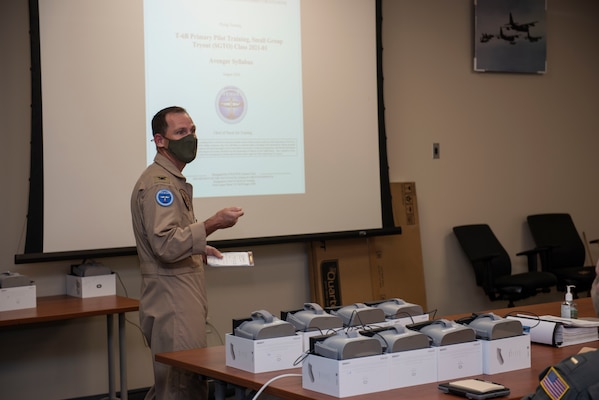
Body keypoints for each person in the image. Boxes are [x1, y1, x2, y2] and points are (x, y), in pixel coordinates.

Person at [130, 106, 244, 400]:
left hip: (178, 295)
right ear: (160, 140)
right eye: (181, 132)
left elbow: (169, 240)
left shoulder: (170, 179)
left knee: (175, 385)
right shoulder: (160, 186)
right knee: (182, 387)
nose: (190, 138)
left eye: (192, 131)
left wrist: (197, 249)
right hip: (173, 301)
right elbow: (165, 245)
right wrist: (214, 223)